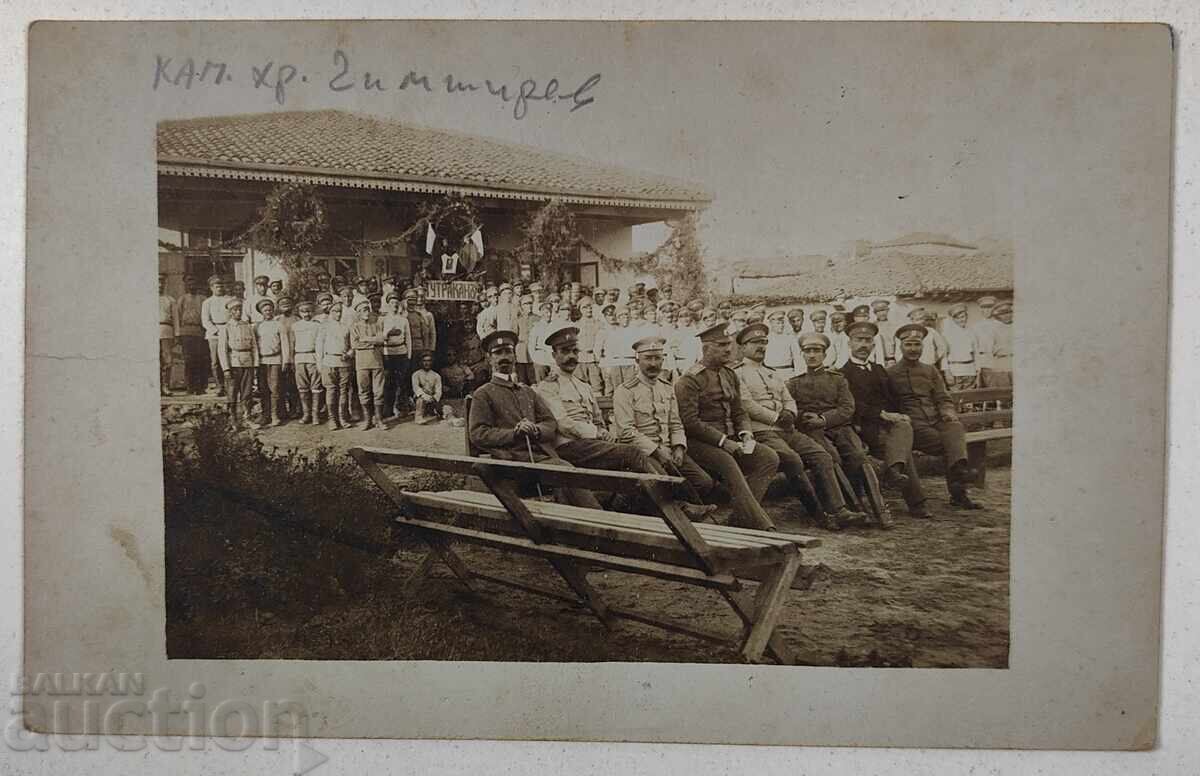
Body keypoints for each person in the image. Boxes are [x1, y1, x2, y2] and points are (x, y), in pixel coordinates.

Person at [735, 323, 864, 529]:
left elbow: (788, 399)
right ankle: (819, 515)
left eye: (763, 342)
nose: (761, 346)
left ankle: (837, 510)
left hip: (787, 429)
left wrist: (790, 413)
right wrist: (777, 417)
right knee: (792, 459)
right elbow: (746, 404)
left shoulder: (772, 372)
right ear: (742, 348)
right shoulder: (737, 373)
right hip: (761, 431)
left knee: (821, 456)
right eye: (755, 343)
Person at [468, 330, 603, 509]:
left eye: (508, 352)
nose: (504, 357)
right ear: (489, 358)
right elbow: (478, 433)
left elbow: (550, 422)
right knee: (562, 469)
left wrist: (537, 430)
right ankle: (596, 520)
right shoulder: (483, 393)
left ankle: (573, 522)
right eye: (498, 353)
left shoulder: (527, 391)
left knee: (566, 469)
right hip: (509, 459)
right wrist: (514, 433)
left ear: (515, 355)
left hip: (540, 455)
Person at [674, 322, 781, 531]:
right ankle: (762, 524)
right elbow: (690, 422)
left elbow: (739, 410)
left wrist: (746, 434)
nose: (728, 349)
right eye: (721, 345)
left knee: (768, 457)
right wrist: (724, 442)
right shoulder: (689, 380)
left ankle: (741, 517)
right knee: (728, 463)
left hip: (731, 438)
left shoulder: (730, 374)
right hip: (700, 442)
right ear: (706, 348)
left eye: (729, 344)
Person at [612, 336, 717, 518]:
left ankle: (669, 510)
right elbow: (626, 432)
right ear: (637, 360)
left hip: (669, 451)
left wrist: (678, 447)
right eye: (648, 358)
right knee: (663, 483)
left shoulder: (667, 388)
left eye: (657, 358)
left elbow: (675, 422)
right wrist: (656, 451)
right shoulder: (626, 390)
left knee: (703, 482)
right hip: (643, 454)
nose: (653, 364)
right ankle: (679, 515)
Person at [841, 321, 932, 519]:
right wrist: (882, 414)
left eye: (868, 341)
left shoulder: (879, 370)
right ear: (849, 343)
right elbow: (852, 405)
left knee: (903, 426)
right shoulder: (842, 374)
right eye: (859, 340)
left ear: (874, 345)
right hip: (864, 430)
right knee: (902, 448)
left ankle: (894, 471)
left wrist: (899, 413)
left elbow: (894, 399)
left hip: (889, 429)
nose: (864, 345)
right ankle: (916, 501)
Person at [888, 324, 981, 509]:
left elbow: (942, 397)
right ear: (900, 346)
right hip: (913, 425)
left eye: (917, 344)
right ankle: (959, 489)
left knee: (956, 427)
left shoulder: (930, 370)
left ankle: (959, 473)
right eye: (909, 345)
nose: (913, 349)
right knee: (951, 445)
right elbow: (888, 403)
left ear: (923, 347)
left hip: (936, 420)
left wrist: (948, 412)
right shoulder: (890, 373)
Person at [787, 333, 874, 513]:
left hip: (840, 428)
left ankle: (876, 508)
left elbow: (847, 408)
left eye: (817, 351)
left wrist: (824, 419)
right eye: (807, 351)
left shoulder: (838, 379)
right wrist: (805, 417)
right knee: (831, 456)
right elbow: (791, 409)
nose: (812, 355)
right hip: (812, 431)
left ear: (824, 355)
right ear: (802, 355)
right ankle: (849, 507)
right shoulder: (794, 383)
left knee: (858, 455)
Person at [216, 298, 258, 428]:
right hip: (233, 362)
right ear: (230, 312)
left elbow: (254, 347)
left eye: (239, 309)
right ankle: (233, 419)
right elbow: (222, 349)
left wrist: (255, 364)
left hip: (247, 362)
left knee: (247, 392)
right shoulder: (226, 328)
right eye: (235, 310)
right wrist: (226, 368)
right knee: (232, 391)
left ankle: (247, 418)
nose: (238, 312)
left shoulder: (247, 326)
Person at [349, 298, 387, 431]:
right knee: (363, 391)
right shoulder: (355, 326)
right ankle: (367, 420)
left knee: (379, 391)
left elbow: (382, 340)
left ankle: (379, 419)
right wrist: (373, 341)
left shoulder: (376, 323)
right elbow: (355, 344)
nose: (367, 312)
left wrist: (366, 339)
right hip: (362, 363)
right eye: (364, 310)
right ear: (358, 312)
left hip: (376, 361)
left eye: (368, 309)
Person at [253, 298, 291, 427]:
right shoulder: (257, 326)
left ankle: (275, 415)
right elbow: (255, 346)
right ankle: (265, 415)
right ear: (261, 312)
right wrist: (255, 362)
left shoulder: (279, 325)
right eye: (265, 310)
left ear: (273, 310)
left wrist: (285, 361)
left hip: (275, 360)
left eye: (270, 309)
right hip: (262, 361)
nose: (268, 312)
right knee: (263, 389)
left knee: (275, 388)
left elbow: (285, 344)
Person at [316, 301, 352, 431]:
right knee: (331, 391)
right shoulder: (324, 327)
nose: (338, 314)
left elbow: (352, 346)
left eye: (340, 311)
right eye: (335, 311)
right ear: (330, 312)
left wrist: (348, 354)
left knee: (343, 391)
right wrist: (320, 365)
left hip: (343, 363)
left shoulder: (346, 327)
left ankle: (342, 418)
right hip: (329, 361)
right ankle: (332, 419)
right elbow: (319, 347)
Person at [290, 300, 325, 424]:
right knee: (302, 388)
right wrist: (292, 360)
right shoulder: (295, 326)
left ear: (313, 311)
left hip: (313, 358)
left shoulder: (318, 326)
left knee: (316, 387)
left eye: (309, 311)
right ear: (299, 312)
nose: (306, 314)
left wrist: (319, 361)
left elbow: (320, 344)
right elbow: (292, 344)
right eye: (303, 311)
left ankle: (315, 415)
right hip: (299, 358)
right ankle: (306, 414)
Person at [176, 275, 209, 395]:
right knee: (189, 360)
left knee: (201, 359)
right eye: (188, 282)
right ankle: (190, 386)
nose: (191, 285)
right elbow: (178, 318)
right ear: (185, 284)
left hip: (200, 332)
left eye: (193, 282)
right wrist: (178, 334)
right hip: (186, 332)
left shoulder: (203, 299)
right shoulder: (182, 299)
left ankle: (200, 387)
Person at [381, 292, 412, 419]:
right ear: (388, 305)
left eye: (396, 303)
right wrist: (387, 334)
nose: (394, 305)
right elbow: (380, 337)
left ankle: (399, 407)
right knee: (388, 382)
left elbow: (408, 338)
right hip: (388, 353)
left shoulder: (403, 320)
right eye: (392, 303)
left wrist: (409, 355)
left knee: (401, 381)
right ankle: (387, 409)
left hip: (401, 352)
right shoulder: (383, 319)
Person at [200, 275, 232, 396]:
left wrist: (229, 330)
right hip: (214, 333)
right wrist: (215, 330)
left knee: (229, 358)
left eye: (221, 286)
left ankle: (231, 386)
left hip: (228, 330)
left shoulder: (229, 299)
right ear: (211, 288)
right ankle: (220, 386)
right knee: (215, 360)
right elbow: (205, 320)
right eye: (216, 286)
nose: (219, 288)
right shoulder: (207, 302)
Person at [942, 303, 981, 389]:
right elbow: (944, 356)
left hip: (970, 372)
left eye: (963, 317)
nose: (962, 320)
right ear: (953, 319)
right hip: (955, 372)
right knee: (956, 400)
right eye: (958, 318)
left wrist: (978, 372)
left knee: (970, 400)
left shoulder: (971, 332)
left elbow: (976, 353)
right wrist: (947, 372)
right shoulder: (947, 334)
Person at [764, 309, 802, 377]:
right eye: (778, 323)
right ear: (771, 323)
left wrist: (798, 374)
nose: (781, 326)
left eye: (782, 323)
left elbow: (797, 358)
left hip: (787, 373)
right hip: (770, 373)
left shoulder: (790, 338)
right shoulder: (766, 339)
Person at [158, 273, 179, 396]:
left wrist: (177, 334)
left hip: (166, 330)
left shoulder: (170, 300)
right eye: (157, 282)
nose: (160, 285)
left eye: (162, 282)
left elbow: (176, 318)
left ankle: (166, 386)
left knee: (167, 360)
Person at [986, 301, 1013, 387]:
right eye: (1003, 314)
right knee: (1003, 391)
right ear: (998, 316)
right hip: (1001, 362)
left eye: (1009, 312)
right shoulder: (993, 328)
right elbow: (989, 349)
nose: (1006, 316)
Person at [411, 352, 443, 424]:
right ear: (420, 362)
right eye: (424, 361)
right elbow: (416, 388)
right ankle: (419, 417)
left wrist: (434, 397)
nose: (426, 363)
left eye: (429, 361)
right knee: (420, 400)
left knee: (444, 409)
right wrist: (425, 396)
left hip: (432, 398)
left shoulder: (436, 375)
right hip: (420, 397)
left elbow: (438, 389)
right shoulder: (416, 374)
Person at [514, 293, 537, 385]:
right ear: (521, 306)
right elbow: (515, 336)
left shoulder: (537, 319)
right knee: (522, 380)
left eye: (530, 303)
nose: (529, 305)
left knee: (534, 379)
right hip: (521, 353)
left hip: (534, 353)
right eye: (526, 304)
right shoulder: (518, 319)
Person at [871, 299, 898, 366]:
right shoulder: (872, 327)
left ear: (887, 310)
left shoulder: (894, 326)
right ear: (875, 313)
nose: (882, 313)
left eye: (883, 310)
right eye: (878, 311)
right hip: (876, 361)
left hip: (891, 361)